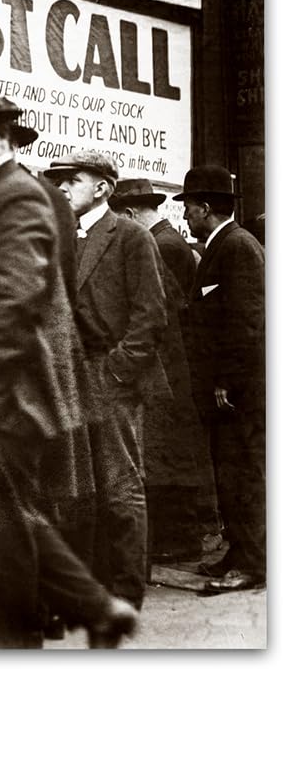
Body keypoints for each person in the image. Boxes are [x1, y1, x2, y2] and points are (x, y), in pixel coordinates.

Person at [0, 75, 137, 648]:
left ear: (2, 136)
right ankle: (61, 619)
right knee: (7, 511)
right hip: (8, 381)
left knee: (7, 510)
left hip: (13, 383)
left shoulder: (15, 195)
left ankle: (63, 619)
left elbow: (19, 294)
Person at [43, 152, 168, 613]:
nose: (61, 188)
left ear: (102, 188)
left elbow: (151, 316)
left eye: (71, 180)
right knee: (75, 491)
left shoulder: (131, 237)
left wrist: (116, 370)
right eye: (57, 181)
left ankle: (127, 591)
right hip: (68, 381)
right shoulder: (61, 240)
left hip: (111, 380)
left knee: (120, 488)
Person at [108, 178, 214, 563]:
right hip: (170, 364)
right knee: (169, 454)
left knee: (169, 456)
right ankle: (181, 537)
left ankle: (181, 539)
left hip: (166, 366)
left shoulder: (159, 246)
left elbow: (155, 312)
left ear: (129, 214)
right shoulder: (167, 241)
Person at [174, 165, 265, 594]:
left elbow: (247, 321)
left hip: (240, 391)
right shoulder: (224, 245)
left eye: (189, 207)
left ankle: (255, 562)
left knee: (243, 472)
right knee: (229, 472)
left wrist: (228, 378)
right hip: (228, 389)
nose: (185, 215)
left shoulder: (237, 247)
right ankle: (240, 551)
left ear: (206, 208)